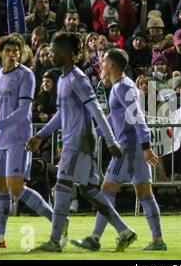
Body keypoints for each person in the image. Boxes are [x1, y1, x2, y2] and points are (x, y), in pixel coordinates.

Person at [26, 32, 137, 253]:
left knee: (62, 186)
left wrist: (110, 140)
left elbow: (96, 109)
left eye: (55, 51)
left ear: (67, 53)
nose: (50, 54)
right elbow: (61, 113)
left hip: (78, 142)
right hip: (74, 141)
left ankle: (55, 241)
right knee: (89, 191)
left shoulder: (78, 78)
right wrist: (42, 135)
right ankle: (124, 231)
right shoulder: (63, 78)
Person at [71, 48, 166, 251]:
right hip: (136, 148)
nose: (101, 66)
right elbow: (115, 120)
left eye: (103, 62)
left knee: (105, 192)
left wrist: (146, 146)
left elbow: (138, 117)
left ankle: (95, 238)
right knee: (145, 194)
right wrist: (93, 133)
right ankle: (158, 241)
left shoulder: (123, 87)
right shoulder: (121, 86)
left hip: (128, 149)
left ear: (111, 65)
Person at [0, 34, 57, 248]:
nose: (13, 54)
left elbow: (23, 112)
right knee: (0, 186)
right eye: (9, 50)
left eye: (16, 51)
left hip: (19, 137)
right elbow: (1, 108)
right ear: (0, 53)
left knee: (16, 187)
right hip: (0, 137)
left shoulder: (26, 75)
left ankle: (58, 222)